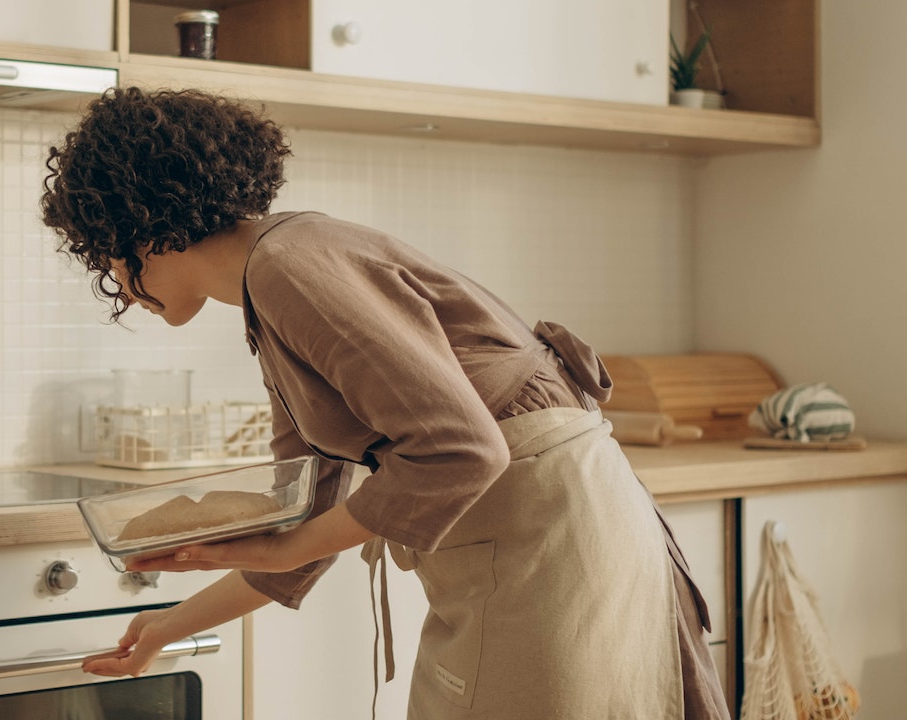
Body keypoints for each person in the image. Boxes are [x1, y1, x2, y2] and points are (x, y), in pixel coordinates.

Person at [40, 86, 731, 720]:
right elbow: (303, 512)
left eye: (105, 254)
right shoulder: (273, 290)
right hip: (525, 551)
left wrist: (294, 545)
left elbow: (459, 450)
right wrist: (170, 623)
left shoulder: (288, 269)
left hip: (551, 552)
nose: (115, 280)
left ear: (143, 227)